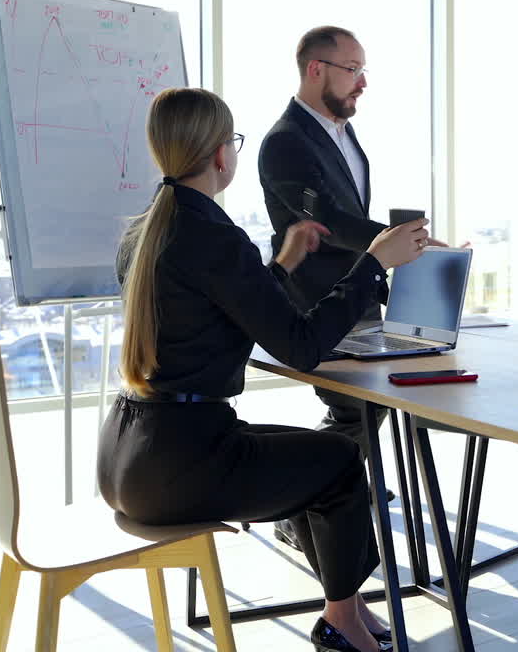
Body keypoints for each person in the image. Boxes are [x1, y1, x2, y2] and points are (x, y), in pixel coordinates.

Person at [98, 87, 429, 652]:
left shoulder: (147, 229)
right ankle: (340, 619)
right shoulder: (216, 236)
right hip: (183, 464)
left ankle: (347, 607)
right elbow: (301, 344)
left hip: (130, 454)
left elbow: (214, 314)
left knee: (314, 459)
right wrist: (374, 261)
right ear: (222, 154)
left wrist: (280, 267)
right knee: (341, 461)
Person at [259, 26, 420, 551]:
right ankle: (299, 502)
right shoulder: (285, 142)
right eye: (353, 70)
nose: (363, 83)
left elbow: (349, 213)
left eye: (363, 70)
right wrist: (389, 242)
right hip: (316, 304)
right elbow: (322, 216)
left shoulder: (342, 134)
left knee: (365, 407)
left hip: (359, 295)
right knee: (354, 409)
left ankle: (329, 488)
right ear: (316, 69)